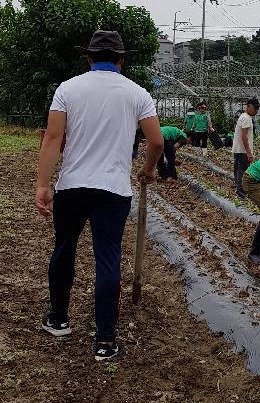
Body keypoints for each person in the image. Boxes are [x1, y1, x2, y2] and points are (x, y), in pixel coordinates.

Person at [35, 30, 164, 362]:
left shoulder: (67, 89)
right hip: (113, 190)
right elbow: (156, 142)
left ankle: (58, 318)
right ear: (121, 60)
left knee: (64, 248)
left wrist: (43, 185)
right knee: (107, 258)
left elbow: (52, 139)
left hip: (72, 186)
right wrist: (148, 169)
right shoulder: (138, 94)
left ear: (89, 58)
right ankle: (105, 340)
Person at [232, 97, 260, 198]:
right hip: (243, 150)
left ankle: (239, 188)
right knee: (243, 171)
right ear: (248, 106)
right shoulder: (247, 118)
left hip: (239, 149)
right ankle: (241, 191)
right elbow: (244, 137)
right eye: (255, 108)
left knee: (238, 170)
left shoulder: (243, 116)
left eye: (258, 108)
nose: (257, 110)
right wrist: (248, 152)